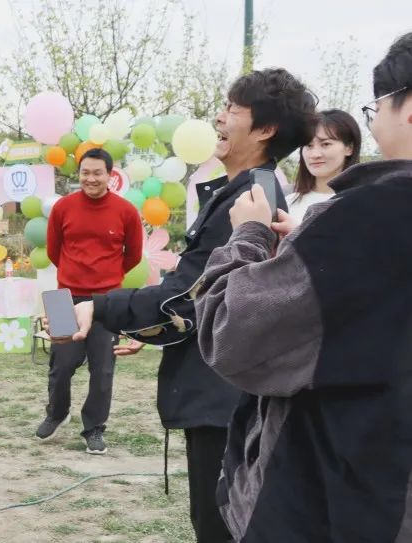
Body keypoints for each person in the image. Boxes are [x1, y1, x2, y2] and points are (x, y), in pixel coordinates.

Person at [58, 69, 317, 542]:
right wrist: (148, 330)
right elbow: (205, 300)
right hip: (221, 389)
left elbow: (188, 292)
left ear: (265, 129)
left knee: (219, 526)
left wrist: (100, 307)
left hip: (224, 397)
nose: (219, 118)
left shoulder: (250, 199)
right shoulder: (245, 190)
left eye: (233, 110)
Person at [194, 32, 412, 542]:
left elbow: (232, 332)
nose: (220, 121)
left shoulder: (368, 217)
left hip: (342, 502)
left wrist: (248, 237)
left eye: (376, 106)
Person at [35, 147, 143, 455]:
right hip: (64, 297)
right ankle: (57, 413)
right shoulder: (63, 208)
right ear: (78, 174)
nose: (91, 179)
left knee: (103, 369)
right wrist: (75, 275)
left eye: (97, 173)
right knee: (61, 364)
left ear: (110, 175)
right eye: (85, 172)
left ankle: (94, 428)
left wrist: (107, 277)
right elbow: (54, 251)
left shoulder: (125, 211)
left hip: (108, 300)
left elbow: (133, 255)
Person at [286, 108, 361, 222]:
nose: (315, 155)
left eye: (325, 144)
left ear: (349, 148)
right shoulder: (288, 202)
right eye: (309, 146)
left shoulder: (362, 203)